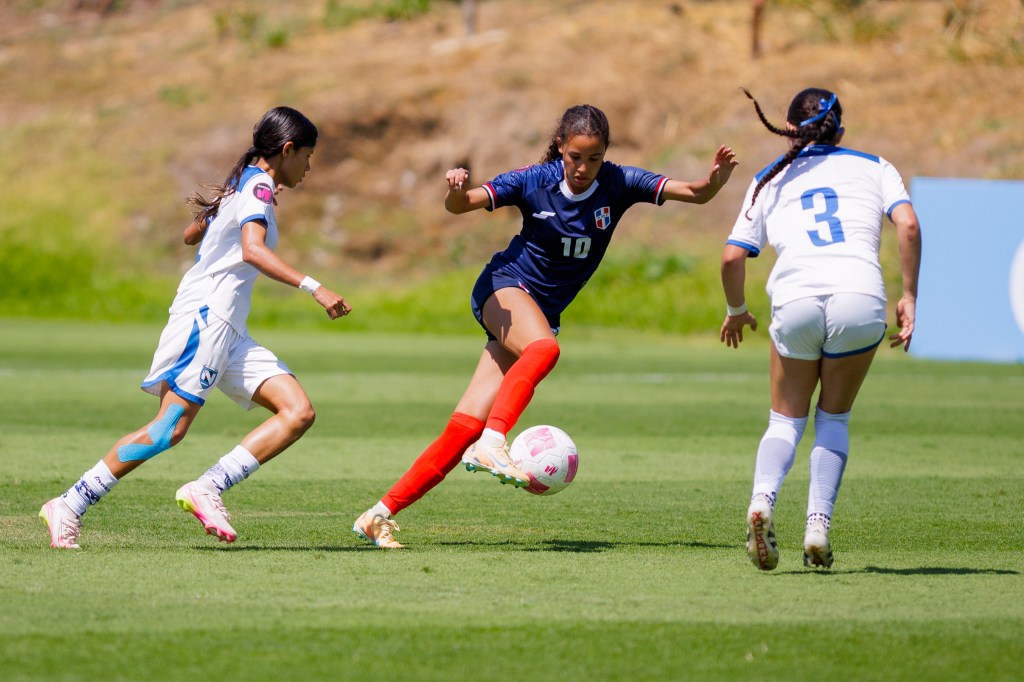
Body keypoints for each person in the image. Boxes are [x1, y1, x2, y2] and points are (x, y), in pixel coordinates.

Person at [353, 104, 738, 548]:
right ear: (560, 147)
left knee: (463, 428)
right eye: (575, 157)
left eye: (594, 159)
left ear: (606, 154)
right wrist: (456, 191)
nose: (584, 168)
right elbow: (461, 205)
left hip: (539, 313)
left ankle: (378, 514)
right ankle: (493, 442)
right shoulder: (534, 180)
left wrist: (715, 180)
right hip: (503, 288)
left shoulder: (620, 182)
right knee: (544, 351)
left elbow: (695, 192)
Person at [39, 106, 351, 549]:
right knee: (168, 428)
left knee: (298, 412)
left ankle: (208, 487)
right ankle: (69, 504)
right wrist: (314, 287)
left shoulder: (246, 183)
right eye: (308, 155)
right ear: (287, 150)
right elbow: (252, 251)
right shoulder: (257, 186)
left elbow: (190, 235)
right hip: (206, 318)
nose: (309, 166)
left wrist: (230, 207)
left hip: (229, 328)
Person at [719, 88, 921, 570]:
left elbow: (731, 257)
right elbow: (909, 226)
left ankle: (762, 500)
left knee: (785, 422)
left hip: (796, 299)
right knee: (834, 419)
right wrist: (909, 295)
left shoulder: (769, 178)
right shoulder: (875, 166)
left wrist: (737, 309)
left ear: (789, 130)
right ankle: (817, 526)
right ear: (840, 131)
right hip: (859, 297)